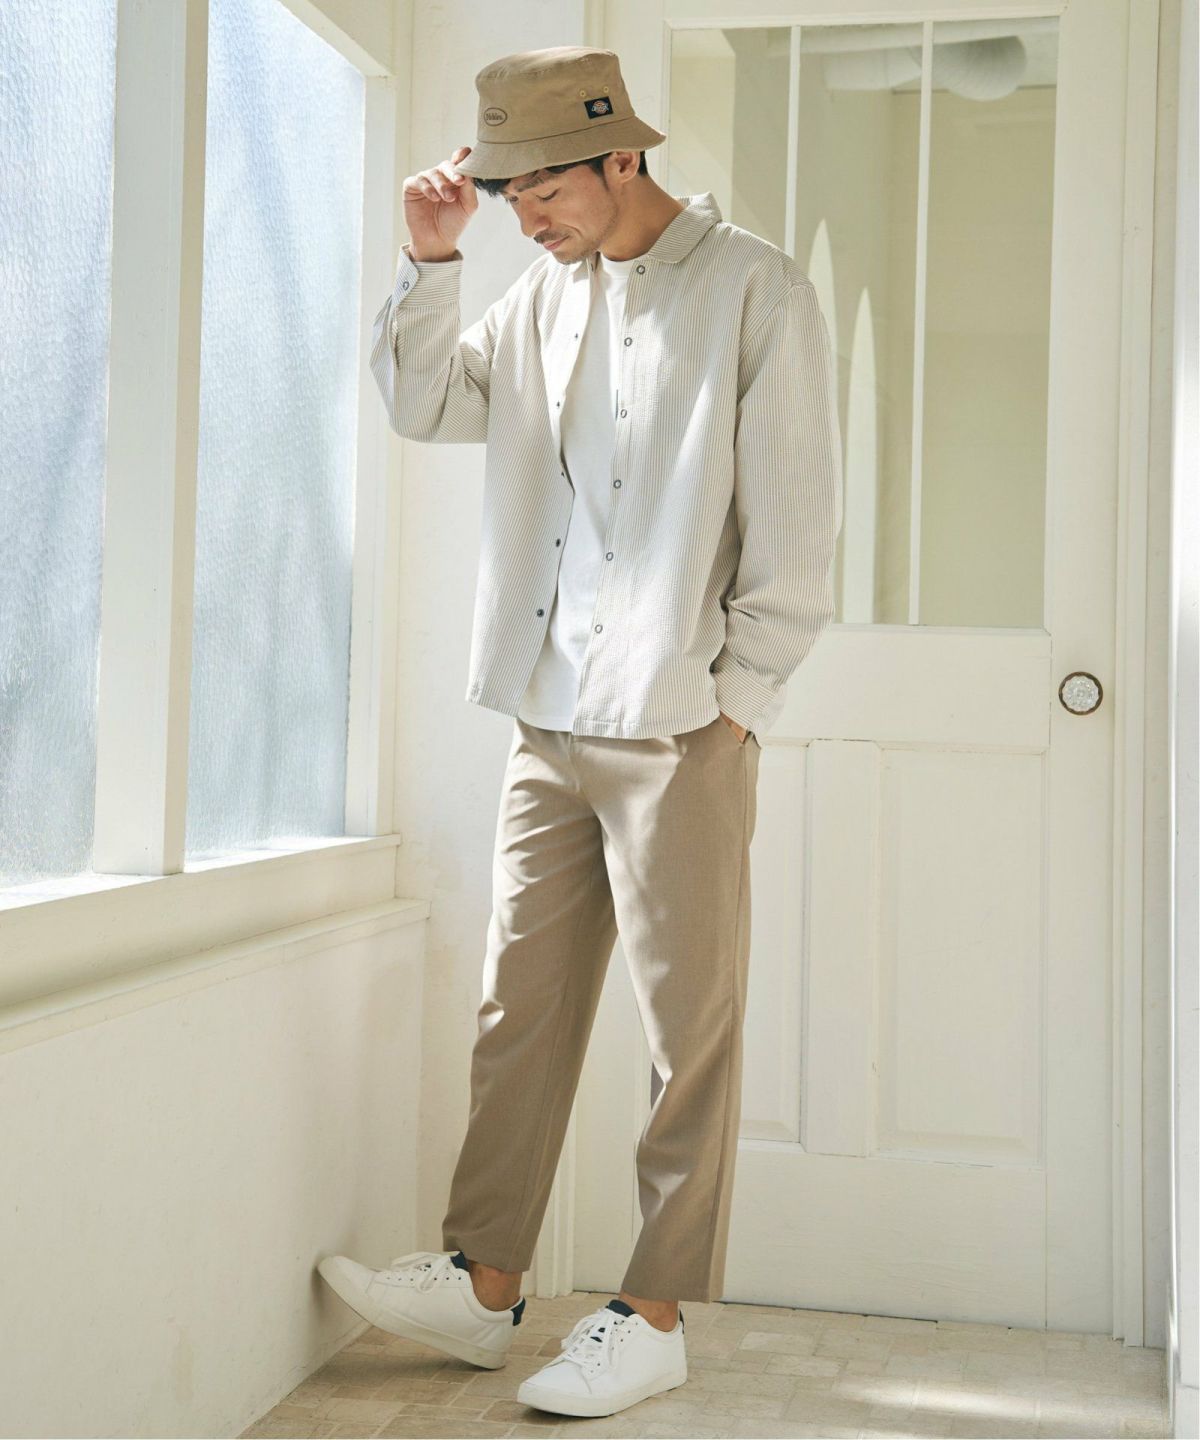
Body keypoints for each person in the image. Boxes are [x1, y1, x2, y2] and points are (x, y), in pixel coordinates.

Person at [317, 44, 842, 1420]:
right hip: (543, 715)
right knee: (520, 1007)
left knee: (686, 1034)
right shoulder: (540, 298)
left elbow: (796, 533)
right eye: (505, 196)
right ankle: (486, 1281)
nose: (526, 218)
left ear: (622, 154)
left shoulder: (756, 292)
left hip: (678, 724)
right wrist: (433, 259)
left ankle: (654, 1314)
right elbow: (423, 404)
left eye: (541, 189)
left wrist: (736, 710)